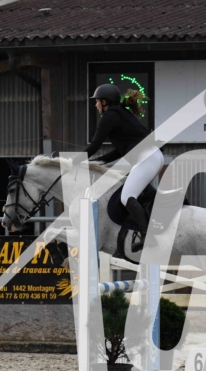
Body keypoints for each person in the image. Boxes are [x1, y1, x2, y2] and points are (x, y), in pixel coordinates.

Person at [76, 83, 164, 252]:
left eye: (97, 101)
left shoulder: (110, 116)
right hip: (152, 156)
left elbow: (95, 145)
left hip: (147, 158)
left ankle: (147, 235)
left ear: (105, 102)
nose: (95, 105)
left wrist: (76, 160)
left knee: (127, 196)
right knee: (134, 193)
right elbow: (119, 151)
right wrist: (98, 162)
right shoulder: (120, 114)